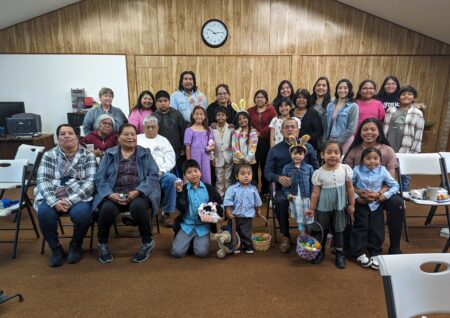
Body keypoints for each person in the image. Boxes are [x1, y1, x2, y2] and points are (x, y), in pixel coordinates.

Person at [93, 124, 160, 264]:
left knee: (138, 207)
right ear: (118, 137)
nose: (130, 137)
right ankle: (103, 244)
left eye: (133, 134)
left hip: (139, 193)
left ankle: (147, 242)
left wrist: (137, 191)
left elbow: (153, 175)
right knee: (106, 209)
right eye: (126, 134)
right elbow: (99, 178)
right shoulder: (109, 154)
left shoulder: (145, 153)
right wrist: (110, 195)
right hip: (114, 193)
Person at [35, 124, 96, 267]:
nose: (67, 136)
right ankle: (55, 249)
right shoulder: (49, 155)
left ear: (77, 137)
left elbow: (91, 182)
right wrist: (54, 201)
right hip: (53, 194)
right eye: (62, 134)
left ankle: (76, 245)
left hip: (79, 195)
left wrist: (69, 200)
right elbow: (42, 180)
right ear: (58, 138)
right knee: (44, 213)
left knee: (82, 214)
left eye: (70, 133)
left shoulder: (88, 155)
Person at [344, 117, 404, 254]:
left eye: (373, 129)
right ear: (360, 132)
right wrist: (357, 195)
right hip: (357, 192)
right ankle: (347, 245)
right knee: (341, 201)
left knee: (397, 204)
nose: (369, 132)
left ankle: (394, 247)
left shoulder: (387, 150)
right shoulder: (354, 150)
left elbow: (391, 181)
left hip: (382, 192)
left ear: (379, 132)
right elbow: (346, 179)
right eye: (365, 129)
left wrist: (379, 194)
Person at [264, 118, 319, 253]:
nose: (290, 129)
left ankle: (313, 232)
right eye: (286, 127)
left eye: (293, 127)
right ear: (281, 130)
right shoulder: (275, 150)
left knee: (319, 198)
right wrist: (278, 178)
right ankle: (285, 236)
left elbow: (316, 168)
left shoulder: (308, 147)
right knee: (280, 201)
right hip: (285, 188)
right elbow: (267, 172)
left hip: (306, 187)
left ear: (298, 130)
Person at [307, 141, 355, 269]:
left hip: (340, 206)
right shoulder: (318, 173)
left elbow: (350, 188)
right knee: (321, 231)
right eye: (328, 152)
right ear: (322, 155)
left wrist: (352, 204)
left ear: (341, 154)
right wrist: (312, 208)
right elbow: (315, 193)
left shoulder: (345, 169)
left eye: (336, 152)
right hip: (323, 208)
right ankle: (319, 252)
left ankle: (340, 254)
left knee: (339, 230)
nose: (333, 155)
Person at [351, 147, 399, 270]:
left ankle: (375, 252)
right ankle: (359, 252)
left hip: (376, 204)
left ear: (380, 160)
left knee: (377, 228)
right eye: (368, 158)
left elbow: (395, 185)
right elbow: (349, 185)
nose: (372, 161)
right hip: (362, 204)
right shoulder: (356, 170)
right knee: (361, 227)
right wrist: (357, 198)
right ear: (362, 160)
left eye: (375, 158)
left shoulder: (382, 170)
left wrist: (385, 195)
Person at [172, 160, 223, 258]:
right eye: (189, 172)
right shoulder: (183, 189)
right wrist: (180, 192)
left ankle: (194, 241)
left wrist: (215, 213)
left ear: (200, 172)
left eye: (196, 171)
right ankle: (187, 241)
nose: (193, 174)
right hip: (187, 225)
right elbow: (181, 208)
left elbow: (219, 203)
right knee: (177, 253)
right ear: (185, 176)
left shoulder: (209, 188)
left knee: (202, 253)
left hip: (203, 227)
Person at [137, 115, 177, 228]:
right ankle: (138, 212)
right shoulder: (137, 139)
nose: (150, 129)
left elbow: (170, 159)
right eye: (148, 127)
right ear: (143, 127)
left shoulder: (163, 140)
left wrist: (162, 171)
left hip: (160, 172)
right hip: (141, 173)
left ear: (158, 127)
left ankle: (166, 213)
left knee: (171, 179)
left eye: (153, 127)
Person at [383, 85, 424, 191]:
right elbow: (384, 129)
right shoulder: (390, 110)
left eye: (410, 94)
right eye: (403, 94)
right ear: (399, 97)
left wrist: (414, 152)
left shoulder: (418, 113)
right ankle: (387, 196)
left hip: (407, 150)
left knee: (405, 176)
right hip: (389, 147)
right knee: (386, 174)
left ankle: (403, 197)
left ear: (414, 98)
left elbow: (419, 135)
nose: (406, 96)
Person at [223, 163, 263, 254]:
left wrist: (258, 210)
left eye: (249, 174)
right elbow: (228, 202)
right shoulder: (232, 189)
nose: (246, 176)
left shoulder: (253, 189)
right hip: (234, 216)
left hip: (247, 216)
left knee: (246, 232)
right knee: (234, 232)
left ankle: (247, 244)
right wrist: (229, 212)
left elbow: (257, 202)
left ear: (252, 175)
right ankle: (235, 245)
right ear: (237, 176)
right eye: (243, 174)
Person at [281, 140, 314, 235]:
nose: (297, 156)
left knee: (308, 217)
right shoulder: (286, 168)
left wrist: (312, 197)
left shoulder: (309, 168)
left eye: (300, 154)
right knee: (300, 218)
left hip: (307, 198)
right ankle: (302, 233)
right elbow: (284, 186)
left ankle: (309, 233)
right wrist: (288, 195)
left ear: (304, 155)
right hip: (295, 198)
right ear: (291, 154)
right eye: (295, 153)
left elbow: (312, 184)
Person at [248, 90, 276, 194]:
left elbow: (272, 125)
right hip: (252, 143)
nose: (259, 99)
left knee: (265, 166)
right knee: (253, 166)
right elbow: (246, 122)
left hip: (265, 142)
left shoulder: (272, 110)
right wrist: (252, 131)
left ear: (266, 99)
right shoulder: (250, 111)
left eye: (262, 97)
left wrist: (261, 133)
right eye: (257, 97)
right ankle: (254, 189)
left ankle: (265, 191)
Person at [153, 90, 186, 177]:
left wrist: (183, 148)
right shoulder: (153, 116)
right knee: (163, 174)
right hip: (160, 151)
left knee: (177, 175)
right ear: (156, 103)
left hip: (177, 151)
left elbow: (183, 130)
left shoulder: (177, 114)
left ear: (169, 102)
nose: (163, 103)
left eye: (165, 101)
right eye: (160, 101)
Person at [323, 79, 359, 154]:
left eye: (345, 88)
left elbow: (351, 129)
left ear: (349, 90)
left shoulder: (353, 106)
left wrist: (337, 142)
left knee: (340, 162)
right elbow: (326, 125)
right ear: (336, 90)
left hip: (345, 141)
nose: (342, 90)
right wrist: (325, 141)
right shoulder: (330, 105)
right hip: (330, 140)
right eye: (340, 88)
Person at [184, 106, 214, 184]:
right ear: (193, 115)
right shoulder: (189, 130)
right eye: (197, 114)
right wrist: (189, 161)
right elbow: (188, 146)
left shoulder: (208, 129)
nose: (199, 116)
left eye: (201, 114)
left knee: (206, 174)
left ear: (205, 116)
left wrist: (211, 148)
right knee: (195, 174)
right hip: (194, 154)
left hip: (206, 155)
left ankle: (206, 192)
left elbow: (211, 143)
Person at [211, 106, 235, 197]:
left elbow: (234, 143)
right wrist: (212, 157)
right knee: (219, 178)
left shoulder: (231, 128)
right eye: (218, 115)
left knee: (228, 178)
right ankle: (219, 197)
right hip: (217, 157)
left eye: (223, 115)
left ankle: (228, 196)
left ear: (227, 116)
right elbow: (211, 144)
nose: (220, 117)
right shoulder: (212, 129)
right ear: (215, 117)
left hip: (229, 156)